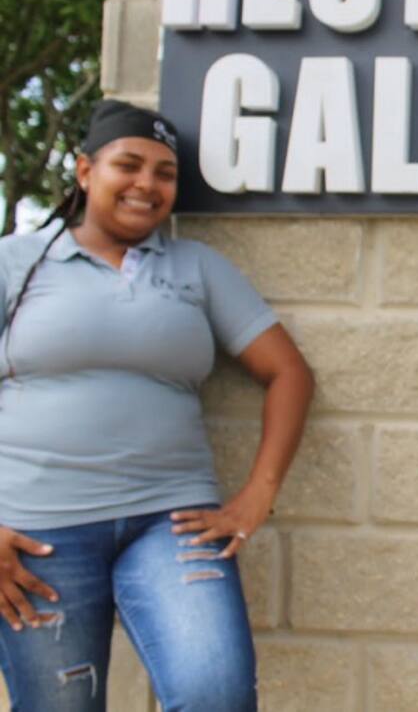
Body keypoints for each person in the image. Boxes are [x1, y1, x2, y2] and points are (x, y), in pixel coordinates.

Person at [0, 100, 314, 711]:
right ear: (86, 171)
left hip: (170, 522)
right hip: (38, 535)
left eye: (165, 173)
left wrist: (256, 497)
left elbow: (289, 374)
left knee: (215, 696)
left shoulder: (198, 268)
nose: (147, 184)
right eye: (129, 164)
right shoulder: (15, 262)